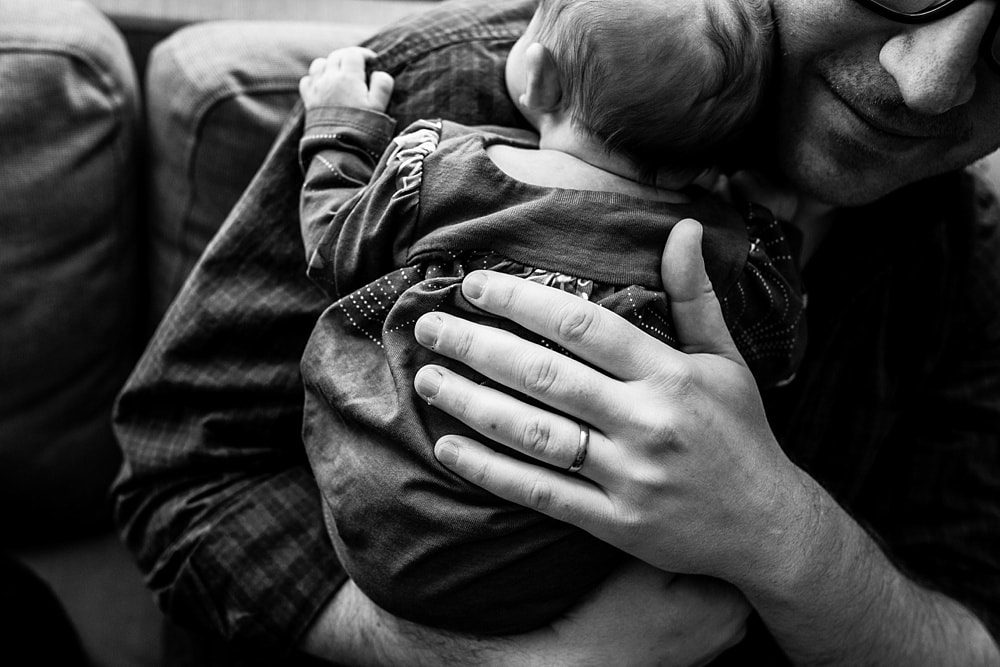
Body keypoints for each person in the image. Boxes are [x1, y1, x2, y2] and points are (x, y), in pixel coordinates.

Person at [112, 0, 1000, 664]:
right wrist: (513, 660)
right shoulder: (431, 96)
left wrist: (789, 537)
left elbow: (969, 622)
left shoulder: (964, 254)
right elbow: (181, 477)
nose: (930, 84)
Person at [296, 0, 803, 636]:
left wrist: (338, 123)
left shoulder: (444, 171)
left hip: (374, 511)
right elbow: (776, 356)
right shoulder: (722, 257)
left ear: (539, 78)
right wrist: (767, 227)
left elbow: (331, 245)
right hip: (555, 579)